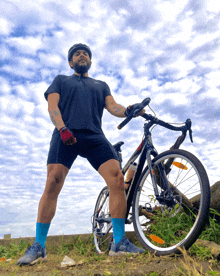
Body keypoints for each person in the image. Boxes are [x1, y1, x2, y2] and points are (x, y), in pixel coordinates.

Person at [17, 43, 145, 265]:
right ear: (70, 62)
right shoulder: (61, 80)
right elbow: (52, 105)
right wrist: (62, 128)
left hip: (94, 136)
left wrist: (128, 111)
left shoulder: (100, 85)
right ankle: (39, 246)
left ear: (91, 62)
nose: (82, 55)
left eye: (85, 53)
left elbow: (113, 107)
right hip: (65, 132)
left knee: (116, 178)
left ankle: (119, 242)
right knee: (53, 182)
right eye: (77, 53)